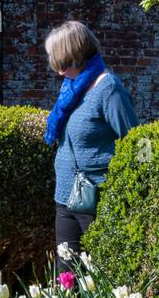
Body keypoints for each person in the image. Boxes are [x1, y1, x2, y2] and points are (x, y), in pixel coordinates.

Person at [43, 21, 139, 255]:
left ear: (76, 55)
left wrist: (138, 188)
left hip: (96, 199)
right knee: (66, 277)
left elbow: (137, 140)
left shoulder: (109, 90)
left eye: (62, 62)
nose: (58, 71)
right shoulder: (71, 89)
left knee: (102, 274)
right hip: (65, 196)